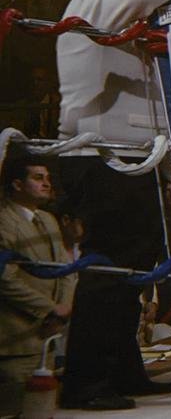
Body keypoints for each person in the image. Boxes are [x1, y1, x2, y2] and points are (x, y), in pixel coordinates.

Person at [57, 0, 171, 410]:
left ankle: (123, 367)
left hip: (131, 156)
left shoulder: (124, 18)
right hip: (100, 156)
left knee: (134, 266)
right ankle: (85, 381)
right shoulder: (95, 1)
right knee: (108, 267)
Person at [0, 156, 76, 416]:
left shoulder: (47, 219)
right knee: (14, 409)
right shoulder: (4, 221)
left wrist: (63, 308)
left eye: (48, 178)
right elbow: (5, 278)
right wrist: (49, 309)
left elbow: (66, 270)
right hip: (16, 338)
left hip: (48, 335)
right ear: (17, 184)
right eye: (38, 178)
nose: (46, 184)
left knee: (43, 411)